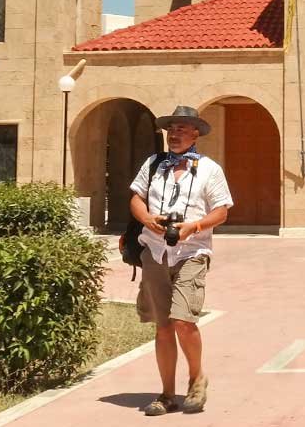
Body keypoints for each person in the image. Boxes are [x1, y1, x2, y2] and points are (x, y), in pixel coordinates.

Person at [130, 105, 233, 416]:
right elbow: (135, 196)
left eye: (182, 129)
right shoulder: (154, 163)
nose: (174, 134)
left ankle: (196, 378)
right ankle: (166, 394)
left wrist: (194, 226)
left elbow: (222, 210)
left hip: (192, 252)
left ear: (195, 134)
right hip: (155, 252)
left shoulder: (210, 169)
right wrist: (148, 220)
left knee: (183, 321)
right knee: (163, 327)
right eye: (170, 129)